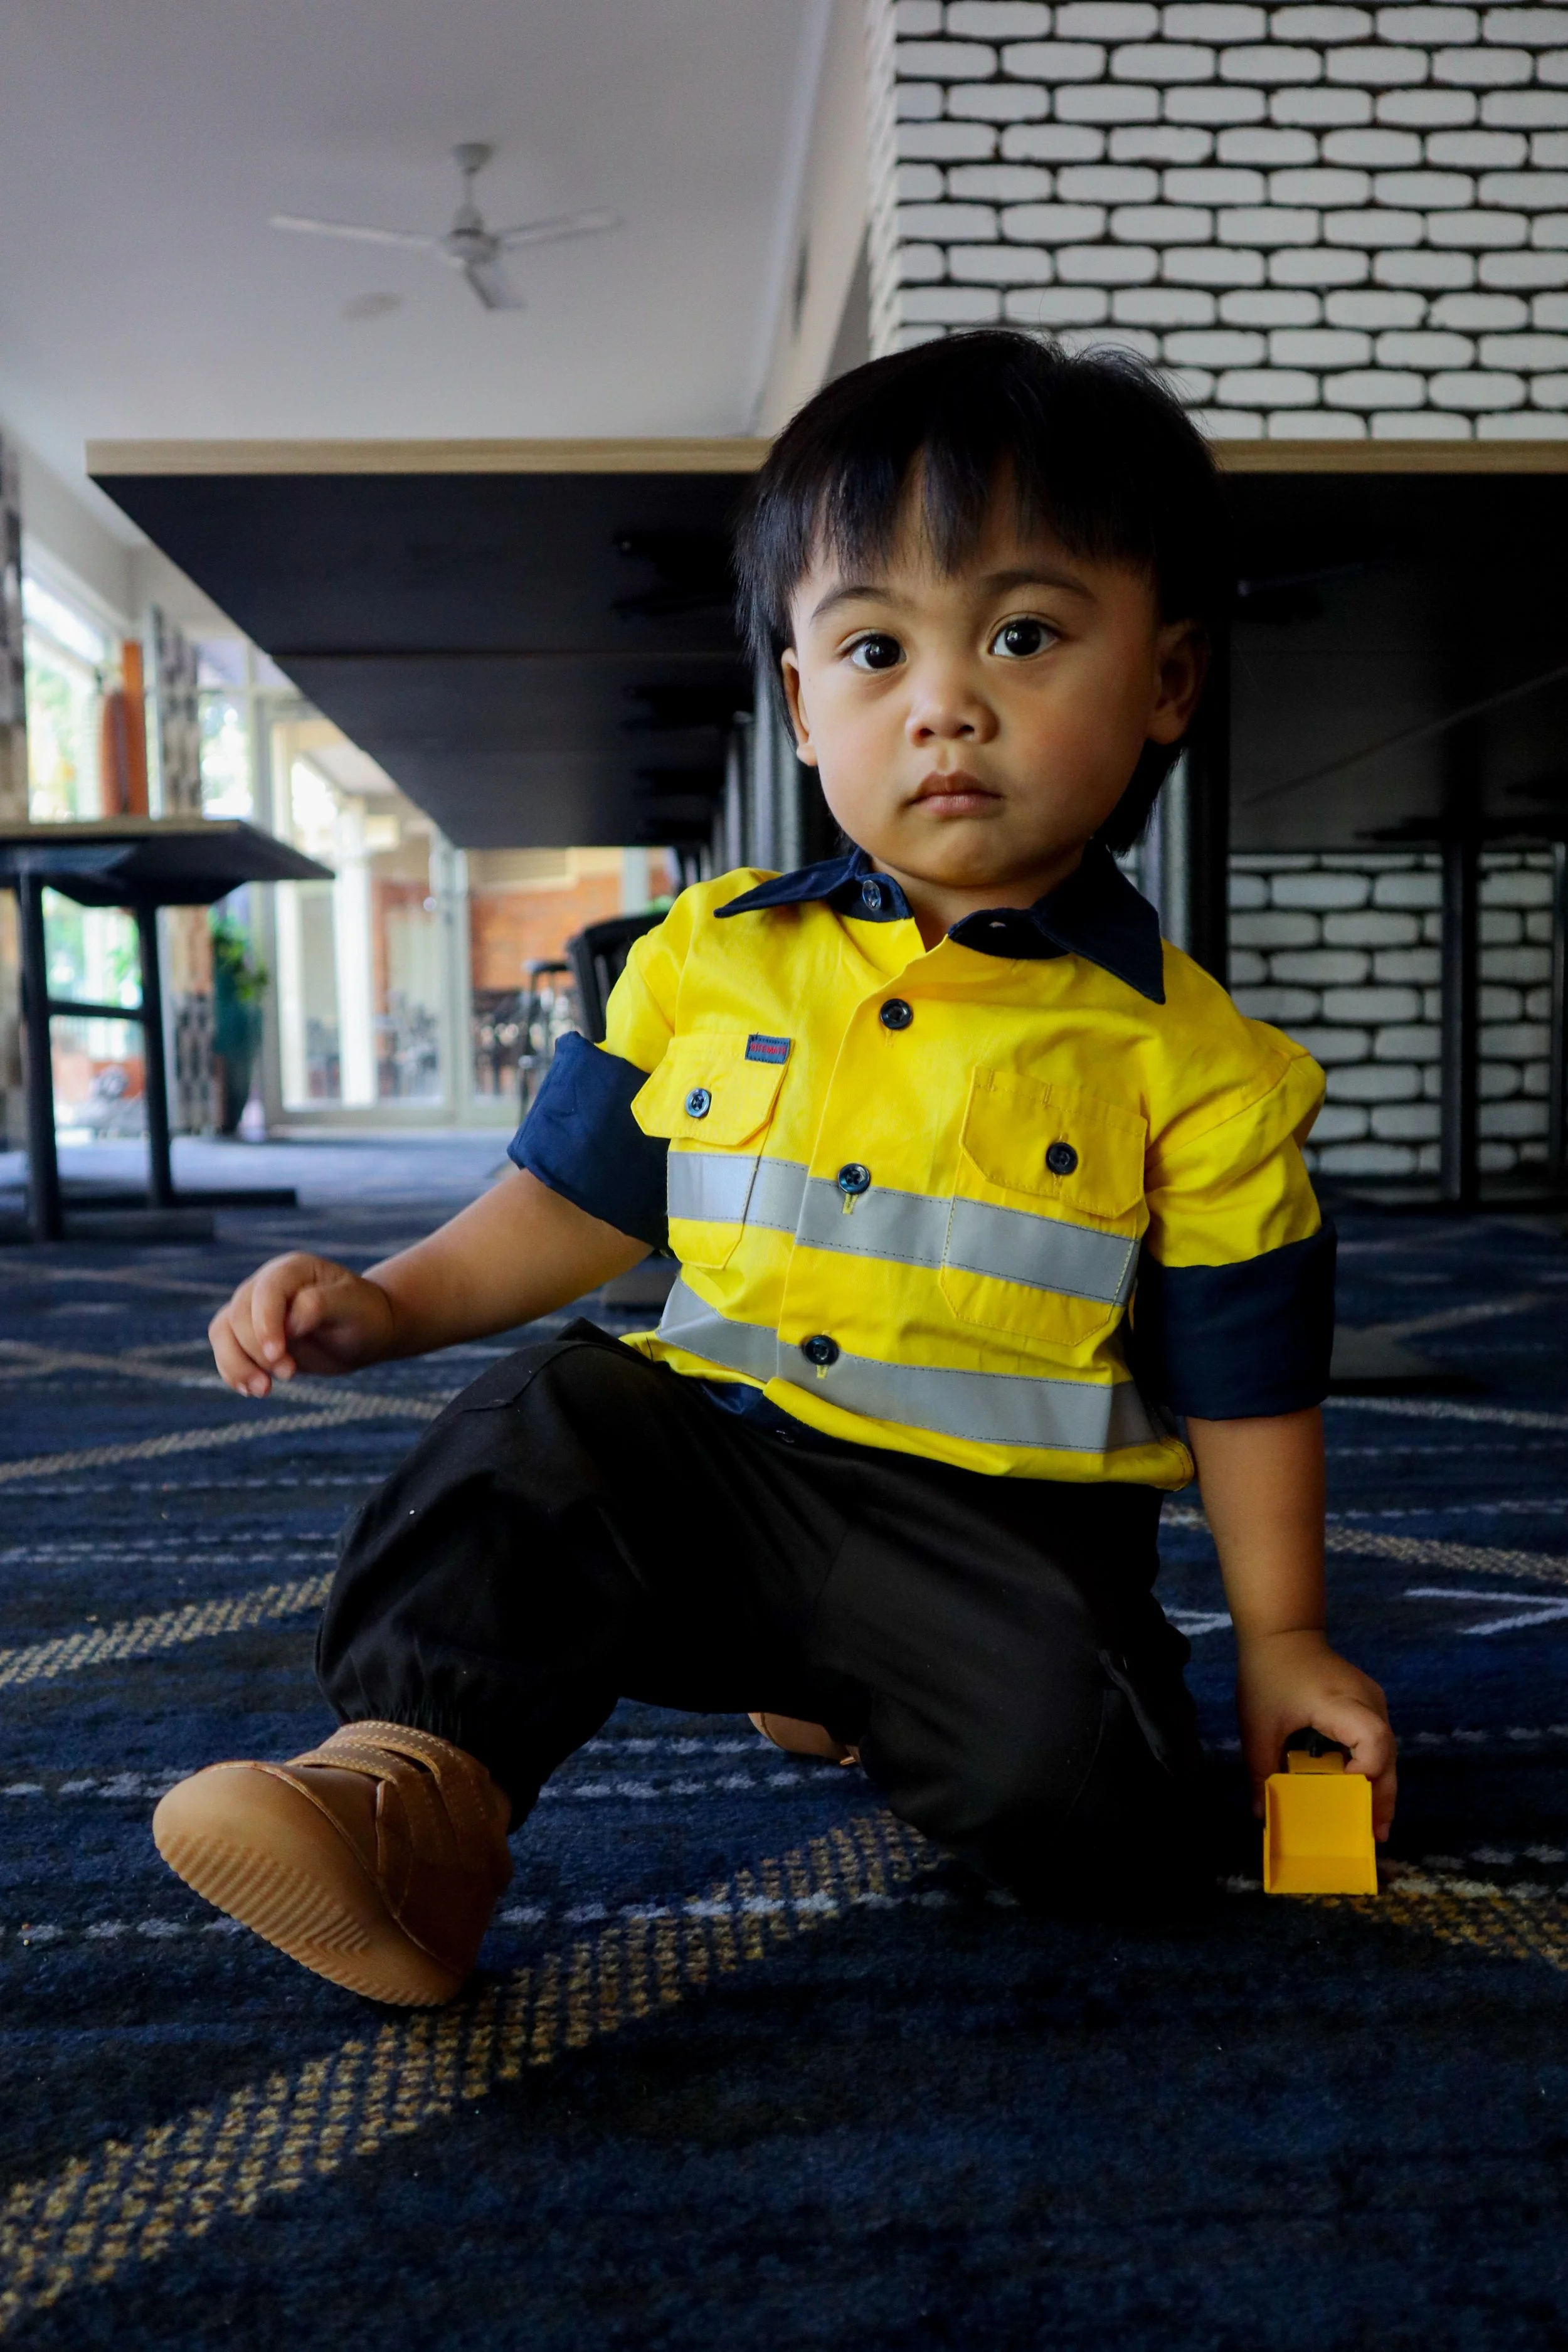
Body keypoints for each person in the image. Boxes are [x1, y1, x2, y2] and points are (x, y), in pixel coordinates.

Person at [154, 332, 1396, 2006]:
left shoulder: (1201, 1067)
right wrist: (387, 1302)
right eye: (875, 646)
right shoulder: (704, 958)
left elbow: (1248, 1380)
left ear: (1167, 681)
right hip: (715, 1465)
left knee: (1104, 1819)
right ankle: (405, 1802)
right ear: (803, 704)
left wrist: (1284, 1638)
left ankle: (865, 1683)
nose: (945, 700)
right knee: (546, 1427)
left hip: (993, 1530)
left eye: (1023, 635)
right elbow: (579, 1204)